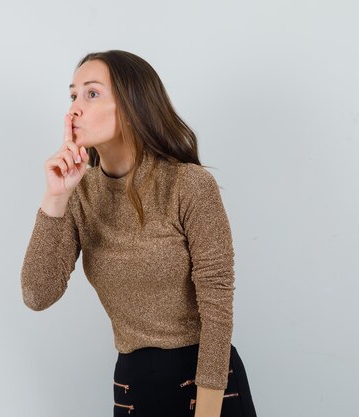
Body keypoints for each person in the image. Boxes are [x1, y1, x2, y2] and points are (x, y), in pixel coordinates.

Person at [20, 50, 257, 417]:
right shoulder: (81, 193)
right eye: (72, 95)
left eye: (92, 93)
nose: (74, 109)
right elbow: (37, 294)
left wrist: (207, 409)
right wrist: (55, 196)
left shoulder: (188, 185)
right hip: (132, 386)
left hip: (206, 385)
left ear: (131, 106)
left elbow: (217, 303)